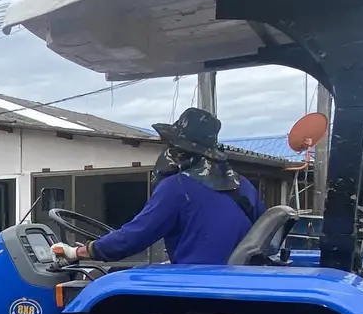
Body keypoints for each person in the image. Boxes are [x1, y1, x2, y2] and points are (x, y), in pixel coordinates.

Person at [51, 108, 266, 266]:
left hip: (200, 287)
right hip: (234, 281)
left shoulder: (178, 187)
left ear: (180, 151)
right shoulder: (242, 186)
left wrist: (79, 252)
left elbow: (136, 236)